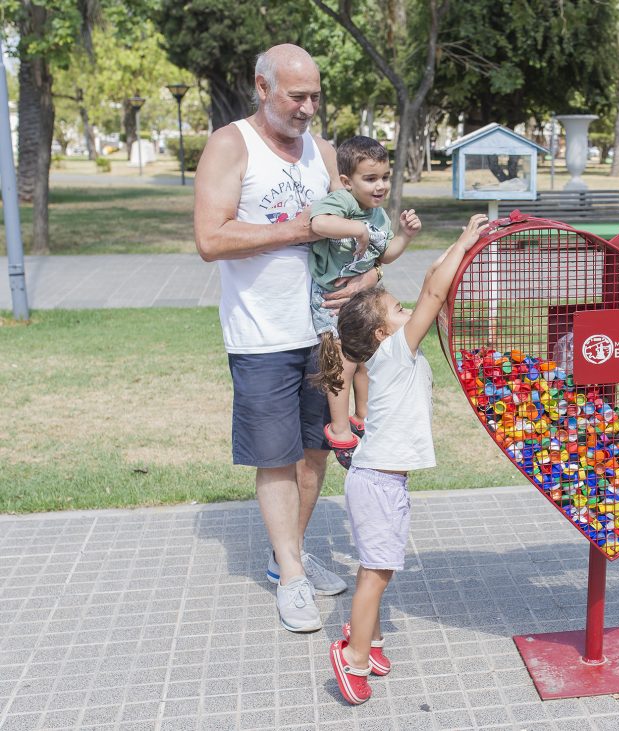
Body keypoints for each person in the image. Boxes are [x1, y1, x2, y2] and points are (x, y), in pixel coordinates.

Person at [194, 44, 378, 633]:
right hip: (261, 334)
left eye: (315, 97)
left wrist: (364, 279)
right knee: (275, 457)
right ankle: (294, 577)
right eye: (297, 96)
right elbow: (211, 239)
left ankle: (286, 557)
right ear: (262, 87)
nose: (307, 108)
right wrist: (298, 230)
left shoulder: (322, 152)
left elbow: (362, 229)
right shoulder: (232, 145)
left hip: (323, 335)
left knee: (316, 450)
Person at [327, 213, 490, 705]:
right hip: (377, 482)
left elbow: (430, 280)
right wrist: (465, 240)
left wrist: (457, 246)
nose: (409, 312)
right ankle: (353, 656)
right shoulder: (396, 351)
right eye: (399, 310)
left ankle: (369, 639)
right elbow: (434, 294)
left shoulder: (390, 352)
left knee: (380, 568)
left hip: (384, 481)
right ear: (382, 332)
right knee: (375, 572)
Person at [307, 136, 422, 467]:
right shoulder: (343, 201)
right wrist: (358, 229)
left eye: (384, 177)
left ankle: (362, 415)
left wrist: (405, 236)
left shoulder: (379, 215)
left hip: (362, 299)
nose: (380, 185)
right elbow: (318, 222)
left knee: (366, 357)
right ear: (347, 181)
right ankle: (339, 429)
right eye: (370, 179)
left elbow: (385, 255)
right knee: (340, 361)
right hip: (331, 299)